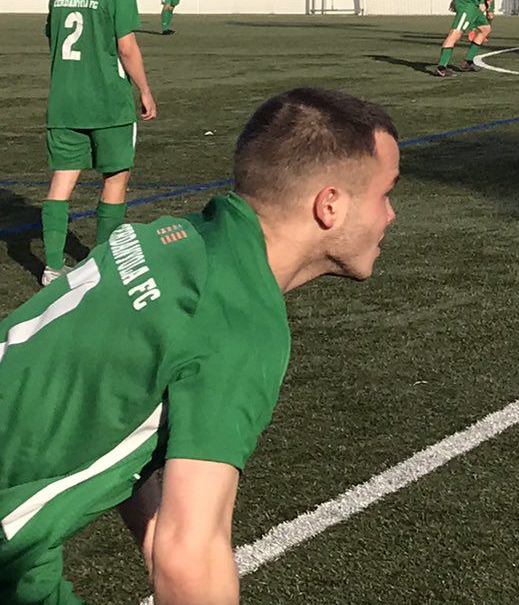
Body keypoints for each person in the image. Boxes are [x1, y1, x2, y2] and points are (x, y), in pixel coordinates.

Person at [0, 86, 399, 605]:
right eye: (385, 192)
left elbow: (122, 396)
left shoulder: (168, 238)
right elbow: (191, 559)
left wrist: (152, 538)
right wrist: (171, 552)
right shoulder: (239, 321)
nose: (390, 215)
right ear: (330, 205)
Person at [40, 0, 158, 286]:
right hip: (107, 102)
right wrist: (145, 89)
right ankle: (101, 265)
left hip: (64, 101)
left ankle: (51, 266)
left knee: (62, 181)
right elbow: (127, 47)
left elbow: (54, 40)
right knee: (115, 178)